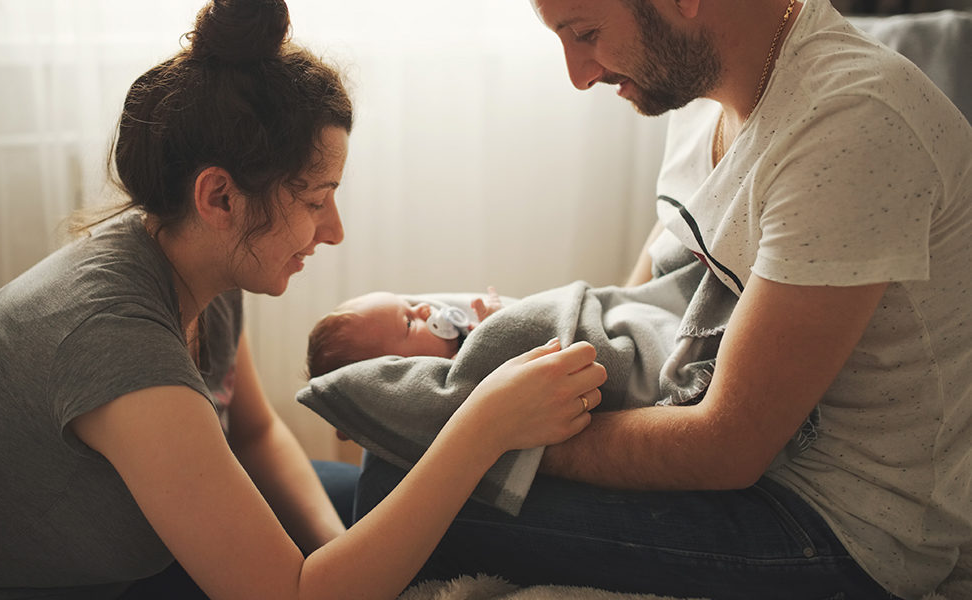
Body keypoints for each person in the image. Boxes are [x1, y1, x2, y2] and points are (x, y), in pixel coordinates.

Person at [0, 1, 608, 599]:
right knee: (416, 504)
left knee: (394, 497)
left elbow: (257, 431)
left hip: (113, 565)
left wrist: (334, 543)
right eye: (315, 200)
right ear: (219, 197)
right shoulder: (113, 339)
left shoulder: (196, 269)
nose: (333, 231)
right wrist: (481, 426)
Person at [354, 0, 972, 599]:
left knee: (397, 487)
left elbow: (728, 448)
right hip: (742, 456)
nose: (578, 75)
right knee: (401, 460)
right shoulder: (703, 92)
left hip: (838, 523)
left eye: (585, 32)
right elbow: (642, 293)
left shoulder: (851, 126)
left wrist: (484, 436)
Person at [306, 287, 505, 377]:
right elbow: (484, 362)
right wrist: (493, 326)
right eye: (409, 322)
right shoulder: (448, 375)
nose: (424, 308)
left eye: (410, 305)